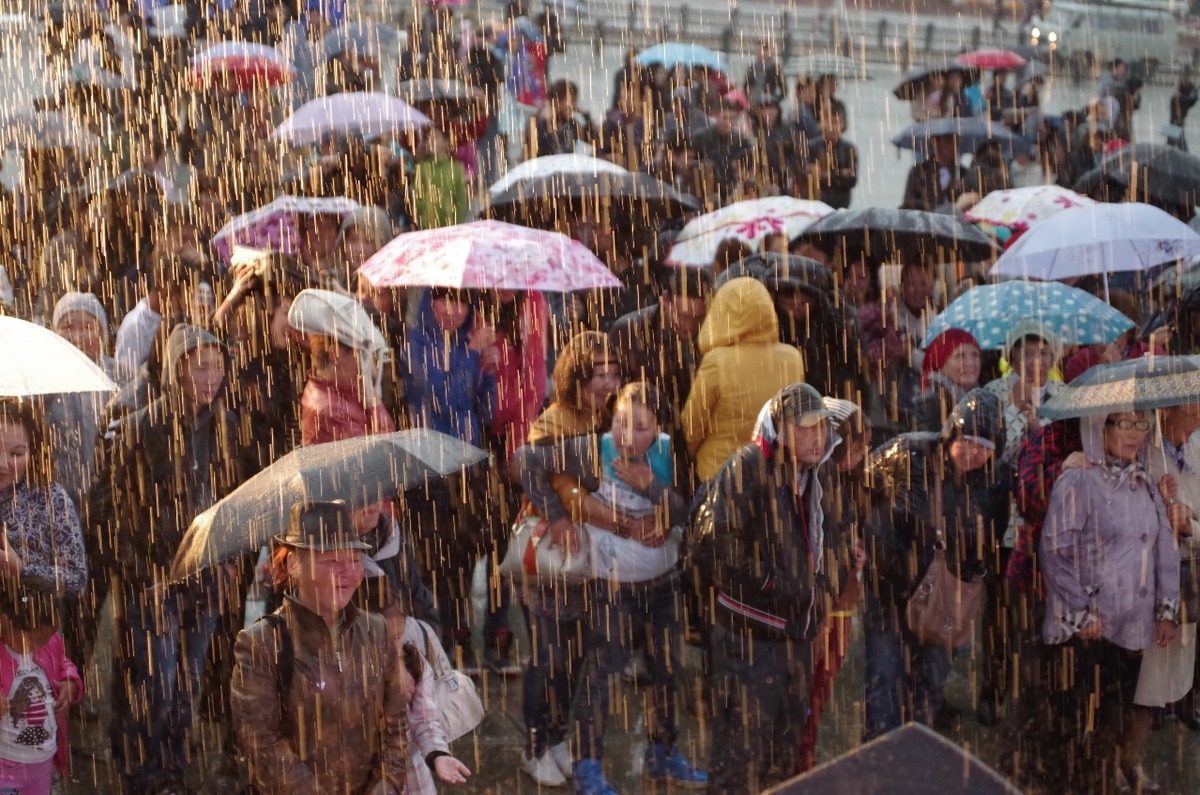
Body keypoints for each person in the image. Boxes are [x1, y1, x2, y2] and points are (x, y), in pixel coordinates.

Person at [516, 383, 706, 794]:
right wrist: (558, 515)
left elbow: (686, 511)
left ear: (657, 428)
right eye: (621, 422)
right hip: (612, 585)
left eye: (640, 427)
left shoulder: (670, 452)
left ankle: (663, 752)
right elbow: (525, 459)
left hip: (664, 582)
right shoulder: (593, 449)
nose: (627, 437)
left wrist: (649, 485)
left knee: (667, 670)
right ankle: (587, 764)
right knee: (602, 676)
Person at [90, 322, 243, 794]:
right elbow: (112, 518)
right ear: (177, 371)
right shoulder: (142, 427)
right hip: (152, 581)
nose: (210, 377)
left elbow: (234, 502)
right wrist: (144, 578)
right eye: (200, 367)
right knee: (154, 686)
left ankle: (171, 772)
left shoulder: (227, 425)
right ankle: (141, 773)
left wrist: (231, 560)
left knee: (186, 686)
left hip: (206, 577)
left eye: (217, 367)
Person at [689, 383, 849, 792]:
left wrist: (824, 590)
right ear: (782, 429)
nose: (816, 438)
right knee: (740, 755)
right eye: (804, 428)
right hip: (750, 637)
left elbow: (833, 539)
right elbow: (718, 544)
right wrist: (779, 585)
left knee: (784, 749)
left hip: (795, 633)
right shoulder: (748, 465)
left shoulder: (821, 472)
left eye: (821, 428)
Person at [1040, 410, 1180, 793]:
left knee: (1114, 718)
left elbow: (1165, 551)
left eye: (1141, 424)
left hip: (1132, 627)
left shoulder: (1148, 482)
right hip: (1089, 631)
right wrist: (1082, 613)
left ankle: (1102, 778)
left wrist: (1167, 609)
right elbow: (1054, 551)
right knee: (1082, 725)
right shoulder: (1079, 480)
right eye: (1124, 423)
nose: (1134, 433)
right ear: (1099, 428)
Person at [231, 501, 408, 794]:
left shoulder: (376, 632)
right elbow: (261, 742)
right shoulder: (261, 643)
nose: (347, 573)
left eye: (353, 559)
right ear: (293, 565)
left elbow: (396, 724)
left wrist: (384, 786)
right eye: (331, 561)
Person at [863, 389, 1007, 739]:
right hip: (890, 596)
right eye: (968, 441)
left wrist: (965, 572)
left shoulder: (997, 479)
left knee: (928, 687)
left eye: (985, 446)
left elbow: (991, 540)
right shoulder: (908, 454)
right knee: (886, 684)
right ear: (951, 435)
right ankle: (878, 770)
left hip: (943, 602)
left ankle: (915, 763)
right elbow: (860, 490)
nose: (975, 453)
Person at [517, 331, 621, 787]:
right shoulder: (555, 420)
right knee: (549, 653)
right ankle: (534, 743)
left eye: (614, 372)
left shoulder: (600, 419)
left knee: (575, 653)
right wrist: (557, 514)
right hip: (550, 555)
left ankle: (557, 735)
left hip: (583, 557)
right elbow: (525, 464)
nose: (609, 382)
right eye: (600, 374)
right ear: (576, 378)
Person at [681, 277, 805, 483]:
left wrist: (688, 456)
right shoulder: (792, 357)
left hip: (722, 472)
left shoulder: (717, 361)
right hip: (773, 473)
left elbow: (692, 427)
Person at [0, 576, 83, 795]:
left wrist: (70, 682)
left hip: (41, 762)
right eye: (35, 640)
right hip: (4, 764)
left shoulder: (50, 642)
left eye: (47, 639)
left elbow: (62, 662)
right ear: (5, 622)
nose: (40, 646)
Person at [0, 401, 87, 598]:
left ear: (34, 453)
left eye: (16, 454)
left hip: (30, 622)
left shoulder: (51, 499)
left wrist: (22, 570)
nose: (3, 464)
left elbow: (76, 579)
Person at [289, 288, 397, 446]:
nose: (367, 367)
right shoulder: (330, 412)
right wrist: (375, 404)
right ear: (336, 353)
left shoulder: (341, 393)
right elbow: (382, 454)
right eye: (363, 355)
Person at [912, 329, 982, 432]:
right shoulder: (933, 403)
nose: (970, 363)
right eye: (960, 356)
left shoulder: (978, 398)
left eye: (975, 355)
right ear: (941, 364)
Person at [413, 128, 468, 230]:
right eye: (429, 138)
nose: (431, 141)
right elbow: (416, 198)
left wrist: (458, 225)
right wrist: (424, 214)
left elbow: (460, 200)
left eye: (435, 138)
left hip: (452, 225)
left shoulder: (456, 168)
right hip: (428, 226)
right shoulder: (421, 168)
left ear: (446, 142)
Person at [805, 100, 857, 208]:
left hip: (841, 205)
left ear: (843, 124)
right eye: (830, 122)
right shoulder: (812, 146)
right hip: (817, 204)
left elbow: (852, 180)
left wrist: (826, 174)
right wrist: (841, 174)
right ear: (822, 123)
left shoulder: (849, 149)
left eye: (837, 122)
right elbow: (810, 177)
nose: (833, 127)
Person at [899, 133, 967, 212]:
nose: (954, 146)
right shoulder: (919, 171)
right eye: (949, 141)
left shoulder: (962, 172)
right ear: (935, 143)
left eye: (956, 141)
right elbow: (908, 204)